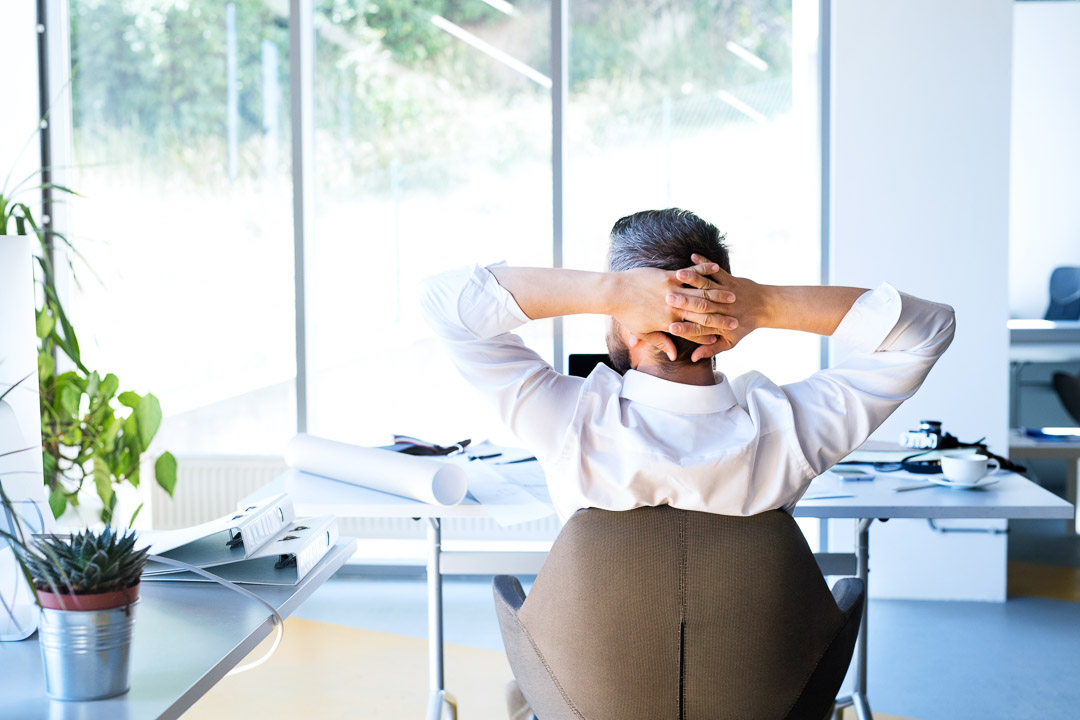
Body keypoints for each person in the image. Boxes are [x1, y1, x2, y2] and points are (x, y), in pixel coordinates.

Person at [420, 208, 956, 524]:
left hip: (591, 700)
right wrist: (763, 303)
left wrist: (611, 291)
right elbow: (929, 329)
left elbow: (445, 302)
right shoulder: (793, 429)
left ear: (627, 319)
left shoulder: (566, 422)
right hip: (749, 697)